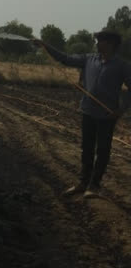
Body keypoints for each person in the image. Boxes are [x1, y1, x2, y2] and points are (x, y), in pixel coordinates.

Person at [33, 29, 131, 198]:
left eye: (101, 40)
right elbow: (65, 58)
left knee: (102, 150)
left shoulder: (122, 66)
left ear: (111, 44)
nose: (97, 43)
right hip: (88, 111)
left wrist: (121, 110)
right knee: (86, 148)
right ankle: (83, 182)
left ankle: (94, 185)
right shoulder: (88, 59)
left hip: (107, 116)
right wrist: (45, 45)